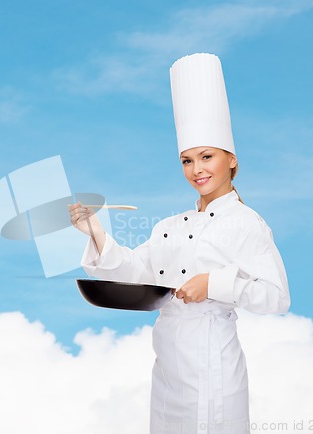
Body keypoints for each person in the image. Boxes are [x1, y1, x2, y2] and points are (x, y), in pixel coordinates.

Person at [68, 53, 290, 434]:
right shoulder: (170, 226)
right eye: (187, 161)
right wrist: (96, 233)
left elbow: (276, 297)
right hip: (168, 366)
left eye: (207, 157)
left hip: (213, 367)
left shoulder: (245, 223)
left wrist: (214, 284)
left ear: (231, 160)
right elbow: (135, 273)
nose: (197, 170)